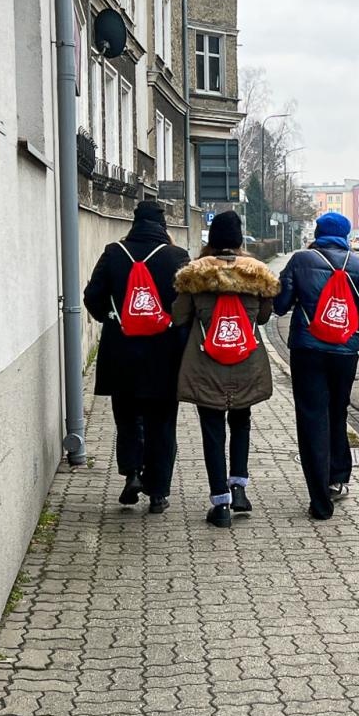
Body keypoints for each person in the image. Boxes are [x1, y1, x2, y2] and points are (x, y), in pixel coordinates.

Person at [172, 211, 279, 529]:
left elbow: (178, 318)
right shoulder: (257, 274)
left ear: (211, 239)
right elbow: (262, 318)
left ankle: (220, 503)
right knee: (242, 422)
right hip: (247, 362)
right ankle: (240, 490)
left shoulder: (193, 276)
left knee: (212, 430)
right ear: (240, 239)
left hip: (206, 364)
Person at [82, 200, 191, 513]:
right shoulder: (176, 256)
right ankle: (158, 492)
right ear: (162, 225)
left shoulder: (114, 252)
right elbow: (186, 304)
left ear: (134, 222)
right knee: (162, 421)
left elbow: (92, 297)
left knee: (127, 417)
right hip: (164, 351)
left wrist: (114, 318)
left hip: (122, 350)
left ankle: (132, 474)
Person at [274, 212, 359, 520]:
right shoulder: (357, 264)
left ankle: (320, 501)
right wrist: (352, 334)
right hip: (344, 354)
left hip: (307, 350)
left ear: (318, 232)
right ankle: (338, 477)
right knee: (338, 412)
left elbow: (280, 305)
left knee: (311, 418)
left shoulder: (301, 260)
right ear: (345, 234)